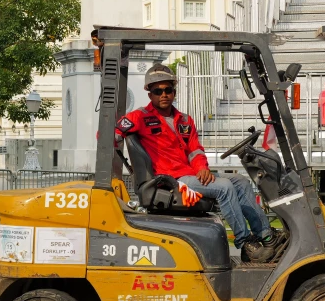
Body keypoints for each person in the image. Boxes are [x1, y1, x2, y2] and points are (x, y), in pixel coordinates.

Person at [115, 63, 283, 258]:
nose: (163, 94)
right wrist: (114, 139)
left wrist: (202, 168)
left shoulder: (185, 120)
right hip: (170, 180)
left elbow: (194, 150)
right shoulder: (139, 117)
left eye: (168, 90)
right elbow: (109, 135)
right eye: (158, 91)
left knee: (241, 181)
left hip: (190, 173)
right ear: (149, 94)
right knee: (224, 187)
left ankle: (266, 235)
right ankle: (245, 243)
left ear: (174, 92)